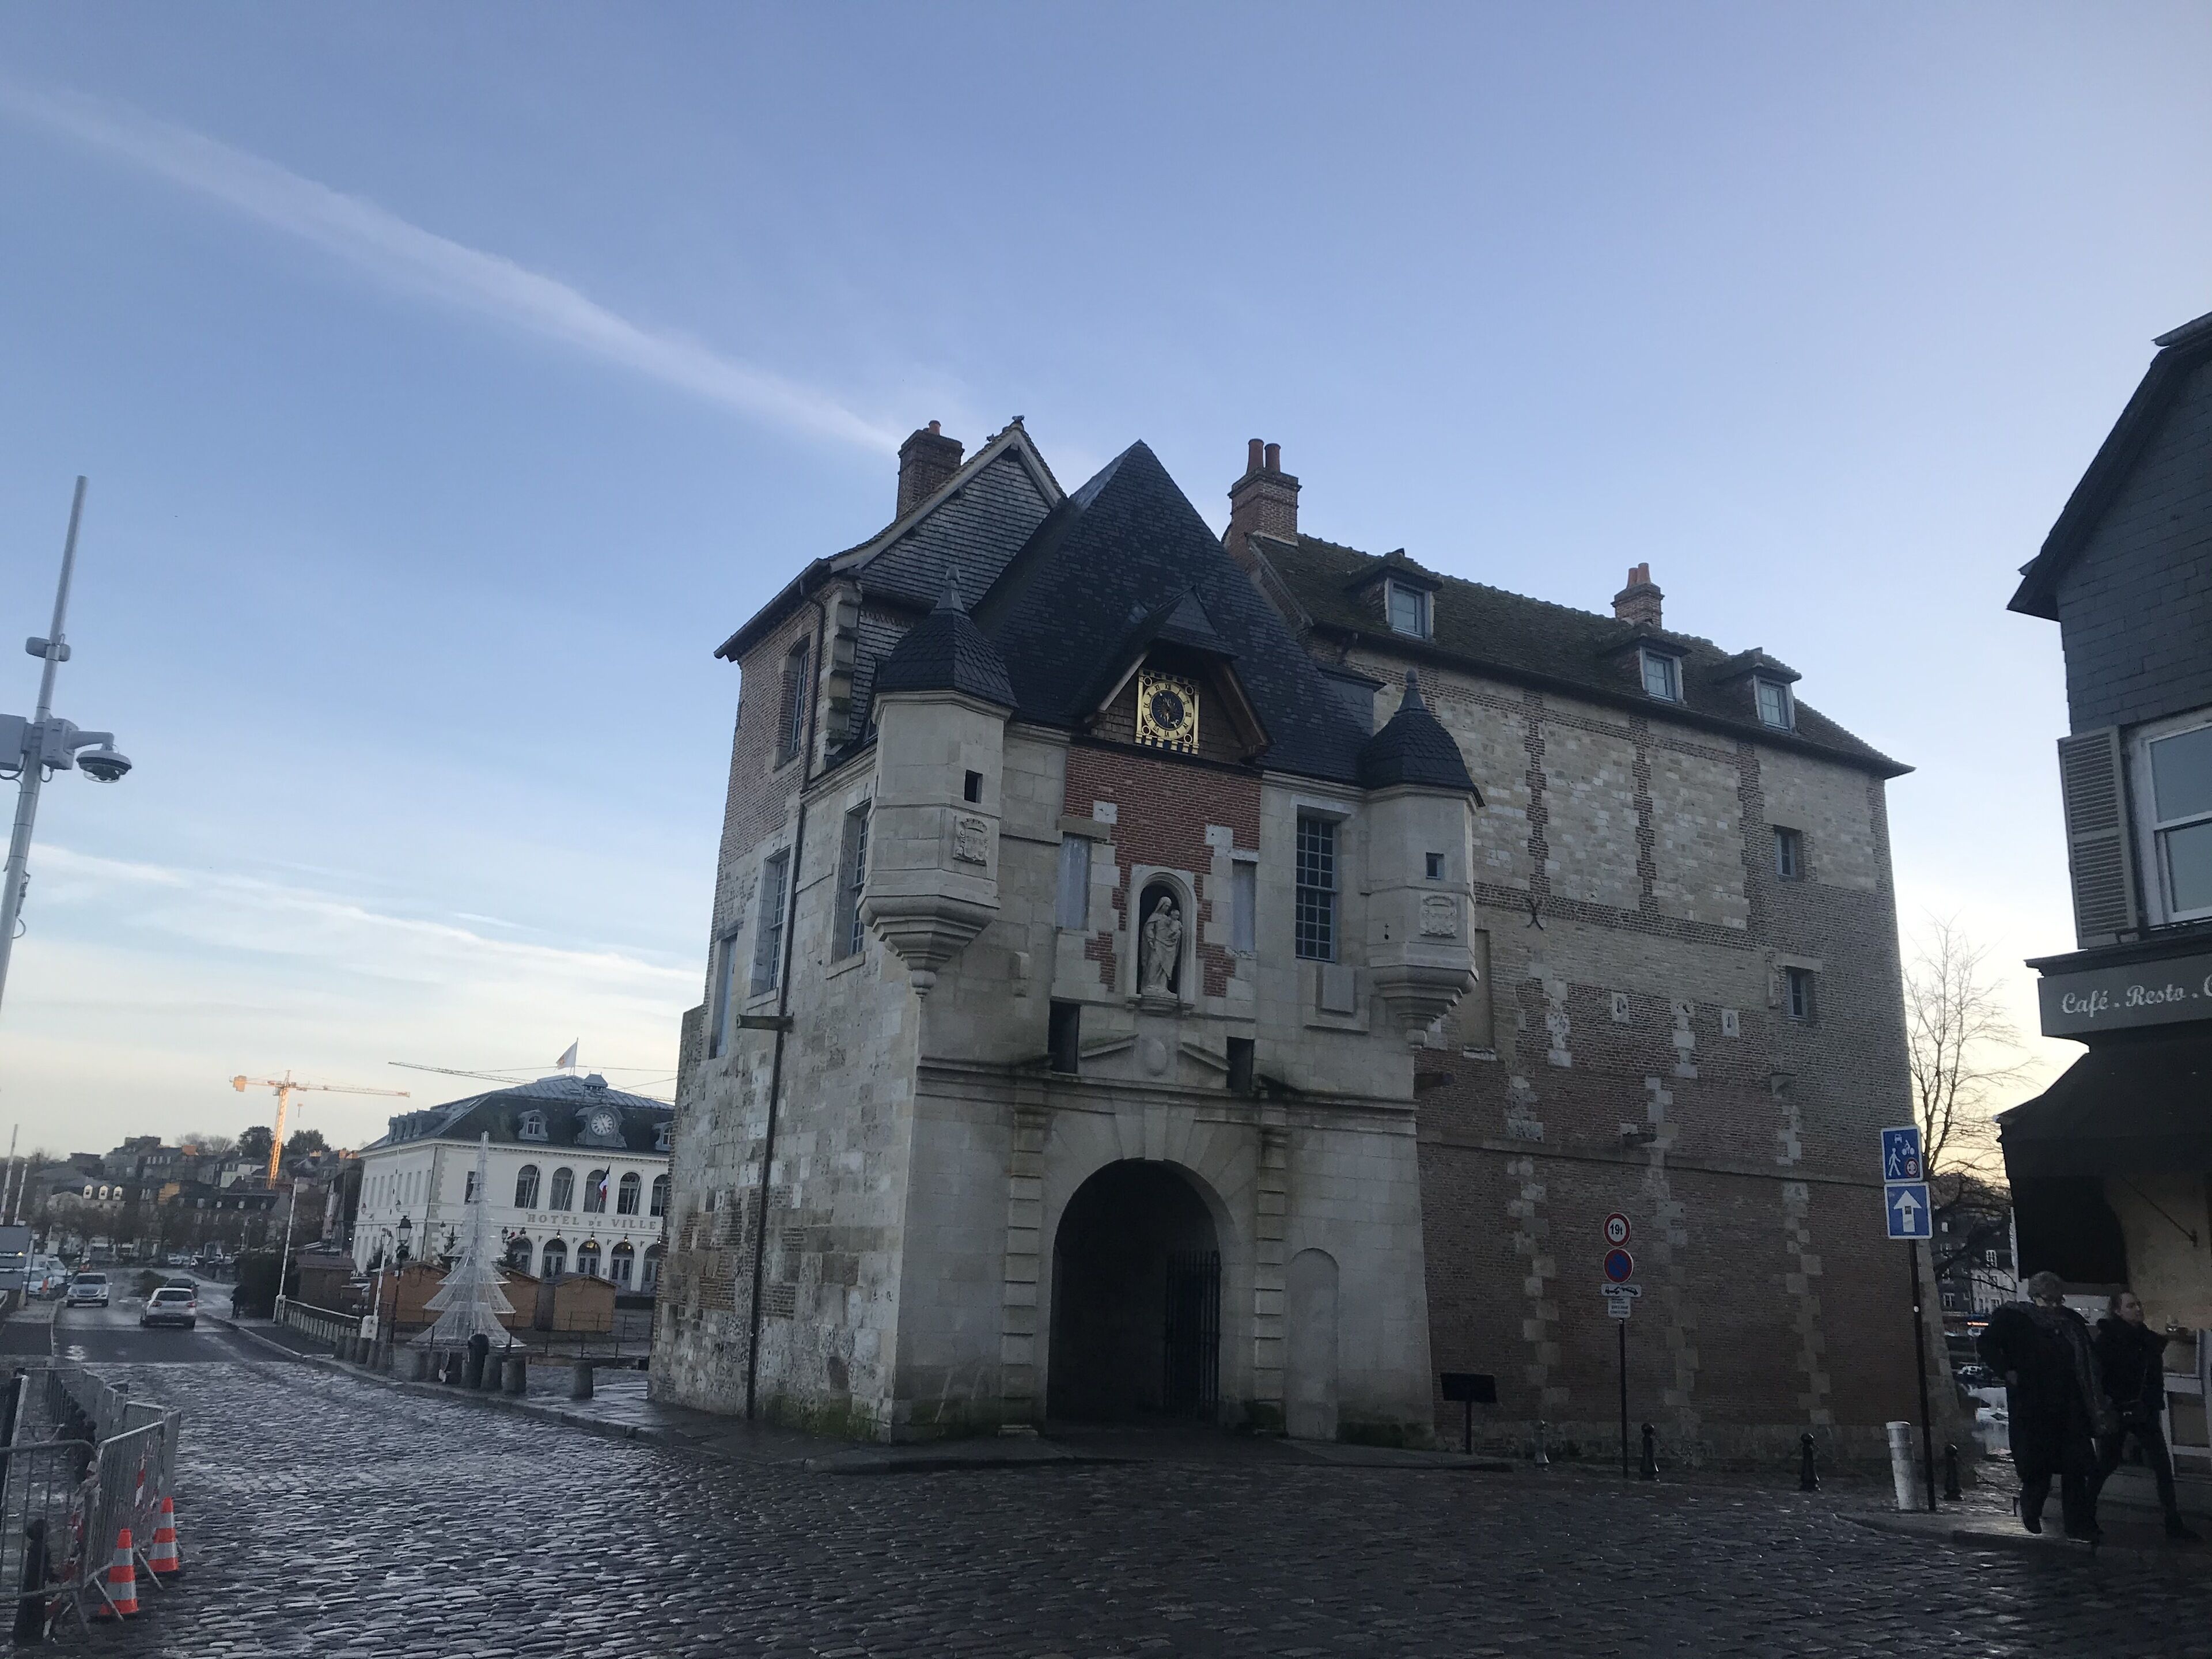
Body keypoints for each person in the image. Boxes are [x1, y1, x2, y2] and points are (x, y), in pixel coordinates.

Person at [1978, 1270, 2115, 1540]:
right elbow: (1987, 1345)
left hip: (2071, 1404)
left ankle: (2078, 1524)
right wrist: (2008, 1371)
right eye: (2048, 1300)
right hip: (2035, 1404)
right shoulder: (2014, 1319)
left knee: (2076, 1466)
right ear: (2035, 1297)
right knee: (2038, 1462)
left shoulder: (2070, 1322)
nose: (2054, 1306)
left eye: (2057, 1300)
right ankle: (2031, 1507)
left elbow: (2089, 1356)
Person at [2091, 1290, 2201, 1541]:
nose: (2138, 1309)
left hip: (2144, 1410)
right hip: (2119, 1410)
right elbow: (2102, 1376)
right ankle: (2085, 1513)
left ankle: (2173, 1523)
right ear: (2118, 1311)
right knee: (2107, 1462)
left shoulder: (2145, 1338)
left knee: (2162, 1466)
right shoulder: (2108, 1340)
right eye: (2131, 1306)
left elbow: (2153, 1367)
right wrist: (2109, 1404)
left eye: (2138, 1304)